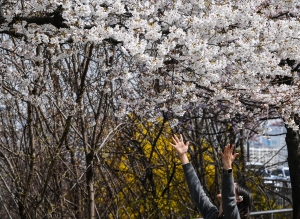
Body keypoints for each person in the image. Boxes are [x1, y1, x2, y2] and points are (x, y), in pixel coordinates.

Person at [171, 134, 252, 219]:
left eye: (231, 189)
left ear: (238, 199)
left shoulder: (234, 217)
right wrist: (183, 156)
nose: (224, 188)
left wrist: (227, 167)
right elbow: (197, 190)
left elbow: (229, 199)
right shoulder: (211, 214)